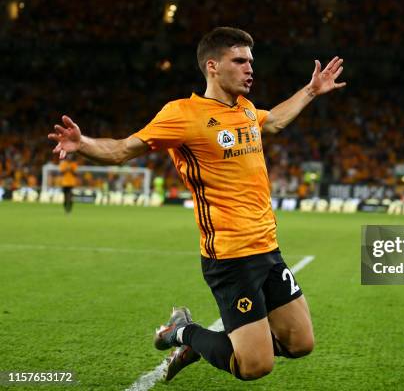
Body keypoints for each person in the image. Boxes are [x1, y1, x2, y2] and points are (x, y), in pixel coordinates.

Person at [48, 27, 345, 382]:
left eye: (251, 61)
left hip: (268, 249)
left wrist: (312, 90)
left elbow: (276, 120)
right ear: (212, 66)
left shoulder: (246, 110)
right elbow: (124, 149)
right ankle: (182, 332)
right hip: (231, 258)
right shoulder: (182, 114)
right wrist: (83, 144)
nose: (250, 69)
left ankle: (203, 341)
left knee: (300, 343)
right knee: (255, 366)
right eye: (239, 60)